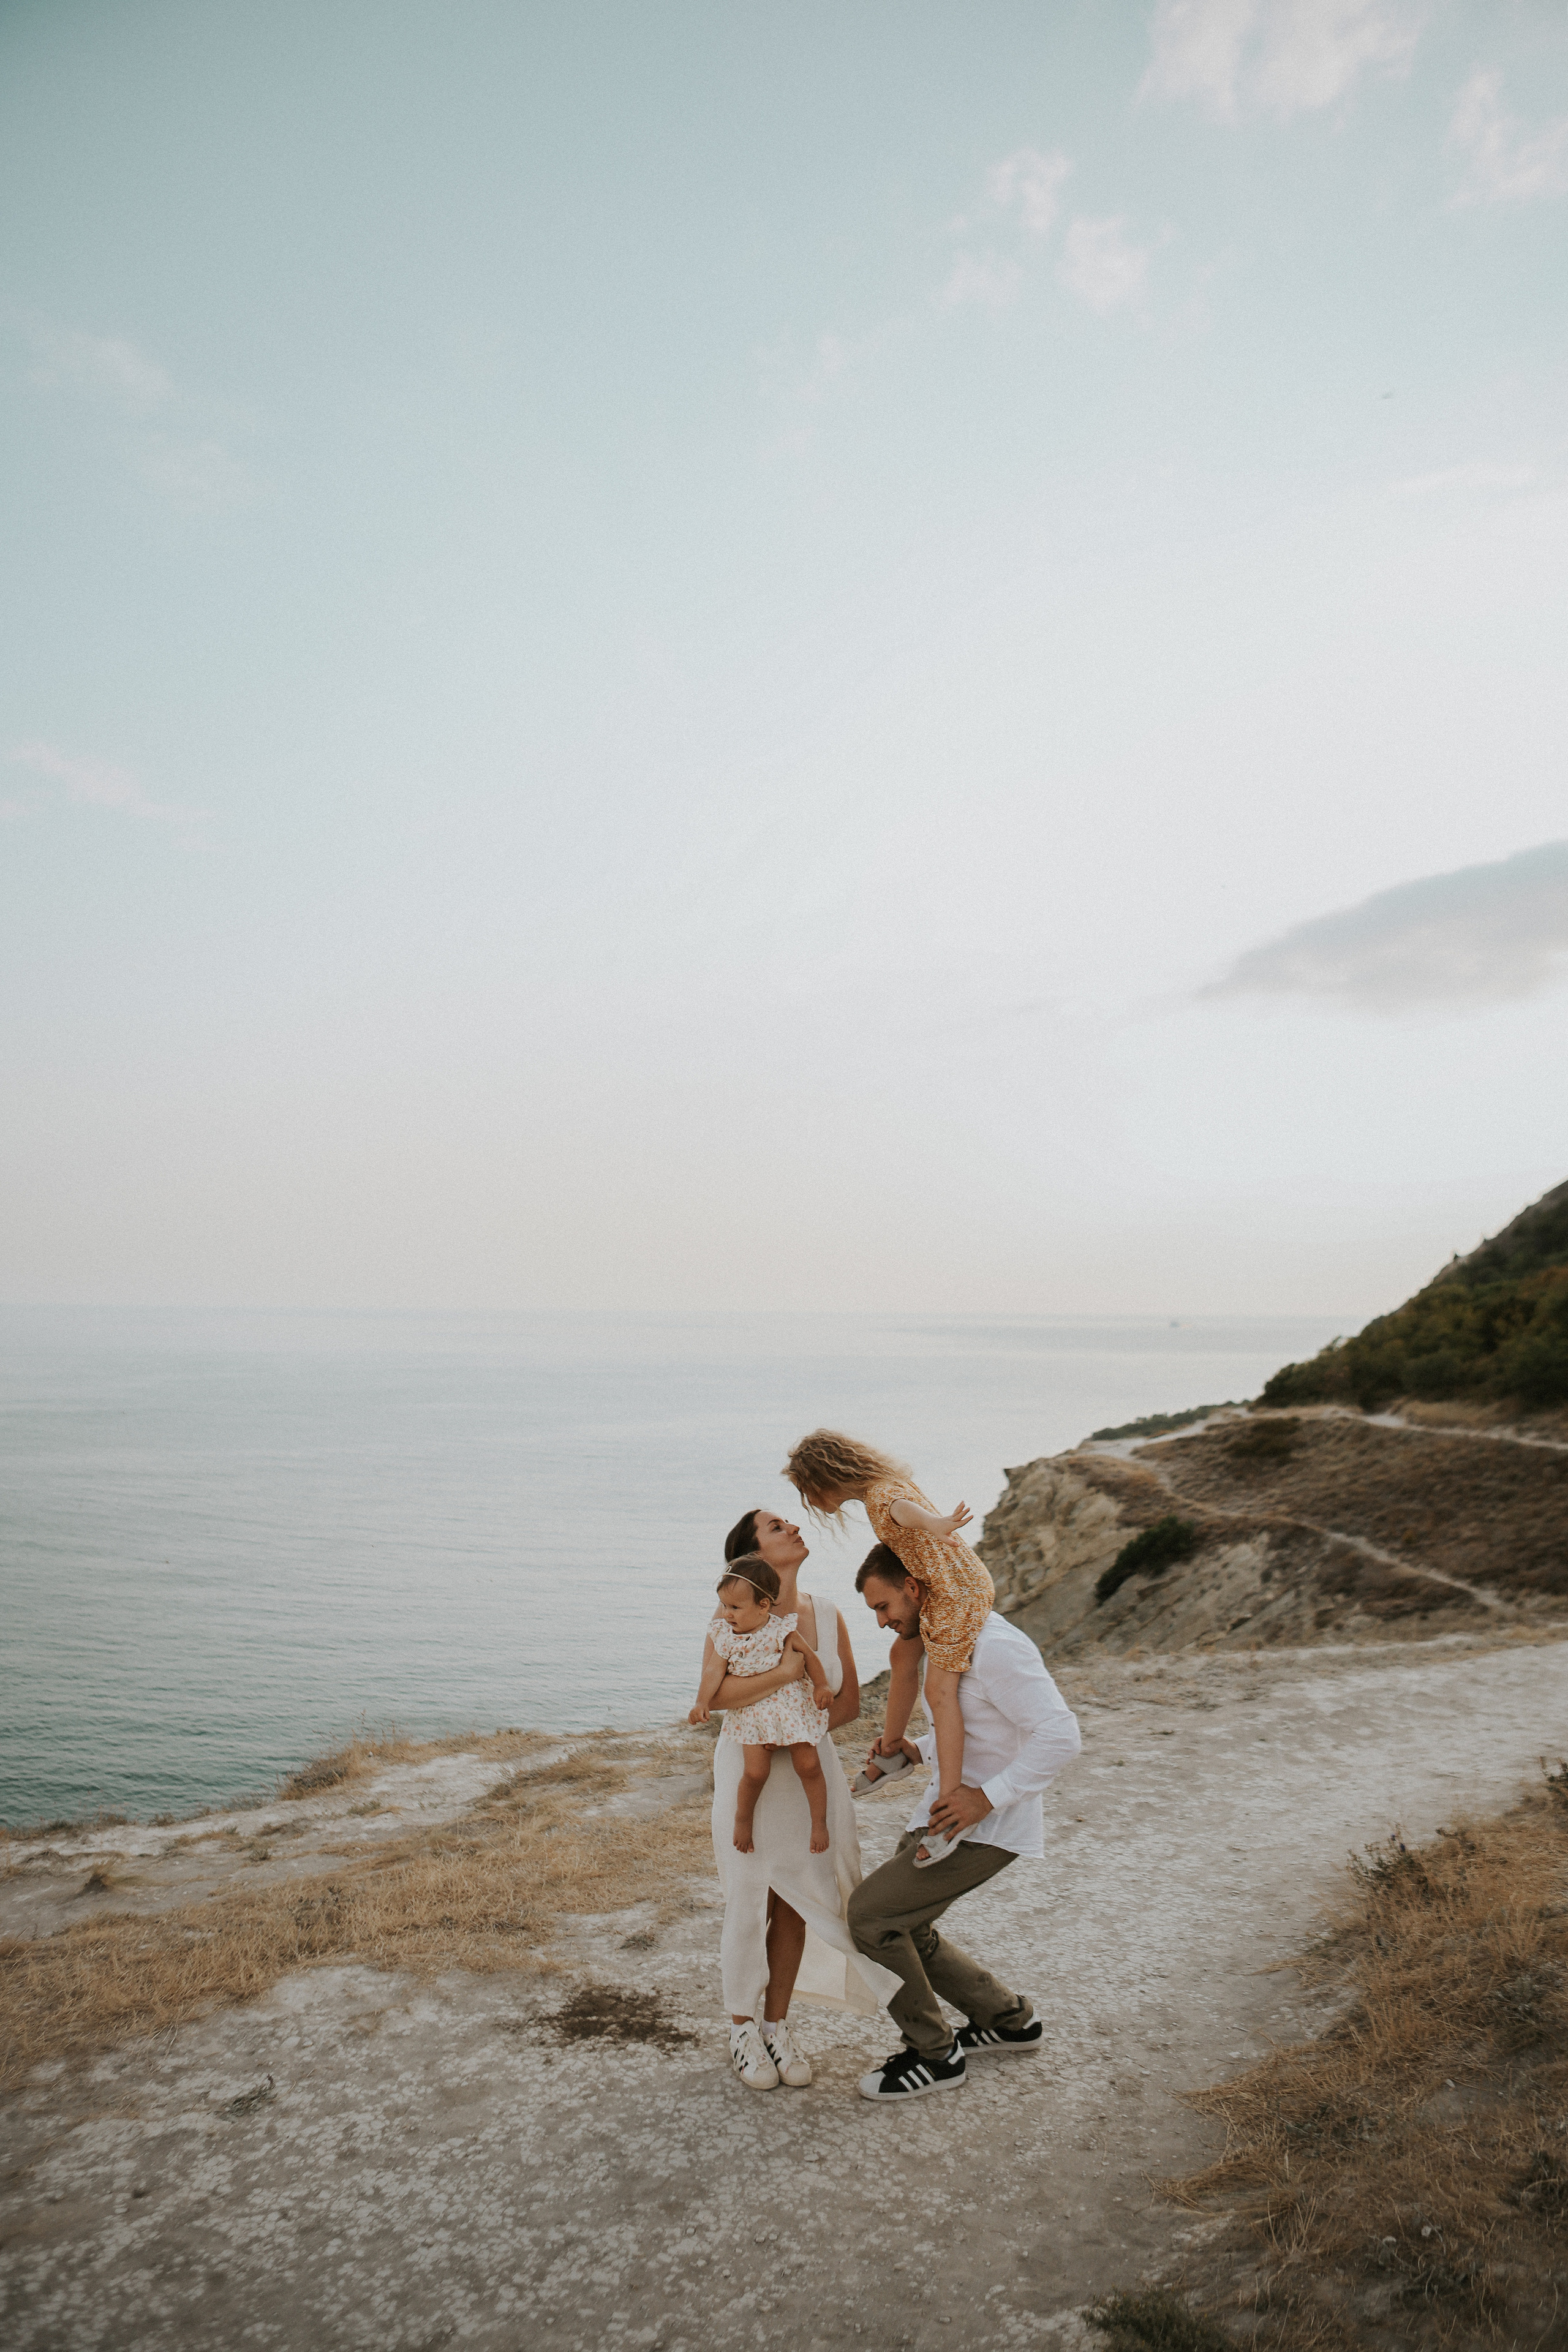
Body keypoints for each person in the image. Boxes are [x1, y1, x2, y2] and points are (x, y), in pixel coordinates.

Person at [848, 1544, 1082, 2103]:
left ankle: (935, 2054)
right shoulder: (950, 1638)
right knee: (912, 1927)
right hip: (946, 1812)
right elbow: (983, 1731)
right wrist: (916, 1752)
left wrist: (986, 1798)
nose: (883, 1622)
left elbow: (1061, 1736)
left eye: (883, 1606)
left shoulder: (995, 1646)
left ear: (914, 1586)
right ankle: (1007, 2021)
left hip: (985, 1826)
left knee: (871, 1917)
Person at [701, 1507, 900, 2092]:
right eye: (776, 1526)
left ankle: (777, 2027)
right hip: (749, 1772)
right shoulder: (731, 1613)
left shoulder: (826, 1612)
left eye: (789, 1521)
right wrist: (785, 1681)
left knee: (800, 1904)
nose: (792, 1526)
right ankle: (741, 2029)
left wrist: (793, 1723)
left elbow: (845, 1706)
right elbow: (716, 1695)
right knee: (748, 1898)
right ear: (753, 1554)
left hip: (813, 1770)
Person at [783, 1430, 993, 1868]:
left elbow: (905, 1513)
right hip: (945, 1589)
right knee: (903, 1655)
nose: (810, 1503)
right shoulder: (884, 1487)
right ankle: (894, 1750)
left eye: (807, 1492)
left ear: (824, 1478)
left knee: (940, 1694)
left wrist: (934, 1524)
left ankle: (950, 1812)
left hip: (956, 1595)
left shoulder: (882, 1497)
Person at [690, 1555, 833, 1853]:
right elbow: (714, 1671)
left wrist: (821, 1685)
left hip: (791, 1707)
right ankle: (744, 1820)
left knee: (808, 1765)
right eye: (725, 1606)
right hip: (752, 1713)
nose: (727, 1614)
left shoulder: (783, 1631)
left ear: (764, 1606)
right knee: (755, 1773)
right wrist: (701, 1701)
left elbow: (809, 1658)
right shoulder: (725, 1638)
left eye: (735, 1608)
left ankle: (819, 1822)